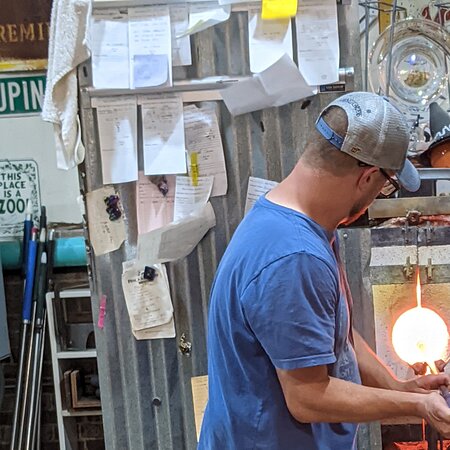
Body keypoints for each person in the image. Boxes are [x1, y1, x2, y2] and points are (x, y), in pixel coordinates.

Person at [198, 92, 450, 450]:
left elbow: (335, 334)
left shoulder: (293, 220)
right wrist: (417, 406)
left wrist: (398, 388)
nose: (379, 196)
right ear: (368, 177)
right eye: (386, 186)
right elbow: (308, 398)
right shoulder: (295, 256)